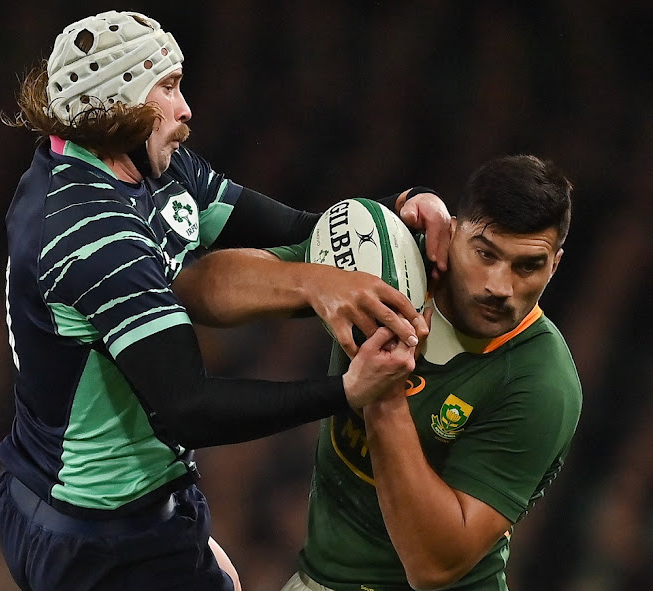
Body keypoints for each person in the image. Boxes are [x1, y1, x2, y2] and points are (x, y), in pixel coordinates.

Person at [0, 9, 451, 591]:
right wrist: (345, 392)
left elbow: (298, 230)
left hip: (114, 508)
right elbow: (189, 406)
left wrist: (402, 207)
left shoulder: (147, 167)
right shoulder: (91, 233)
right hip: (98, 539)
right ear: (117, 105)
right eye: (167, 88)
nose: (186, 110)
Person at [176, 154, 582, 591]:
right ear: (452, 230)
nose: (499, 287)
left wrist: (384, 392)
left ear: (554, 264)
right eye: (485, 253)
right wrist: (314, 283)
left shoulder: (541, 381)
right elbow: (196, 290)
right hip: (320, 579)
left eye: (528, 266)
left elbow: (433, 566)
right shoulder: (390, 258)